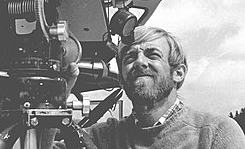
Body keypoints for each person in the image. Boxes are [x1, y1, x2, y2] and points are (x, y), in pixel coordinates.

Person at [44, 25, 245, 148]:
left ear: (179, 72)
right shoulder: (101, 137)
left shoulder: (215, 133)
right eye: (130, 57)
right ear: (121, 79)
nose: (140, 62)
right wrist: (55, 101)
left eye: (153, 54)